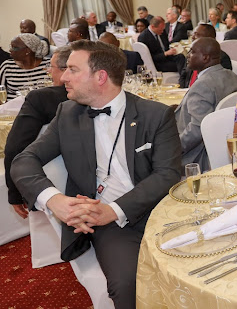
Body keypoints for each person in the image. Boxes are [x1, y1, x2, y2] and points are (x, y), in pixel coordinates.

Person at [10, 40, 182, 308]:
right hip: (109, 226)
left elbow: (167, 174)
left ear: (100, 77)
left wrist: (113, 209)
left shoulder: (155, 115)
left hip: (162, 211)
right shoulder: (67, 114)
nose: (63, 76)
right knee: (128, 284)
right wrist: (54, 200)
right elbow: (23, 160)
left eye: (73, 70)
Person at [5, 46, 70, 220]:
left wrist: (15, 191)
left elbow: (15, 147)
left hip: (49, 180)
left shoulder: (40, 98)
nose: (49, 71)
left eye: (52, 67)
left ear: (66, 70)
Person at [176, 38, 237, 170]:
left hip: (195, 156)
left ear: (205, 58)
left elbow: (197, 128)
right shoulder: (231, 75)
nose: (187, 55)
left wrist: (173, 148)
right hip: (223, 147)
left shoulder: (202, 85)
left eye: (192, 52)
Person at [178, 24, 233, 88]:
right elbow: (183, 76)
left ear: (209, 38)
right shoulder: (191, 54)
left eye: (196, 34)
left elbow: (220, 85)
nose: (192, 37)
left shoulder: (221, 57)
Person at [0, 34, 51, 99]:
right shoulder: (7, 66)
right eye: (11, 47)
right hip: (14, 107)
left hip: (42, 106)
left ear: (27, 51)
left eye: (14, 48)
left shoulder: (48, 64)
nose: (10, 50)